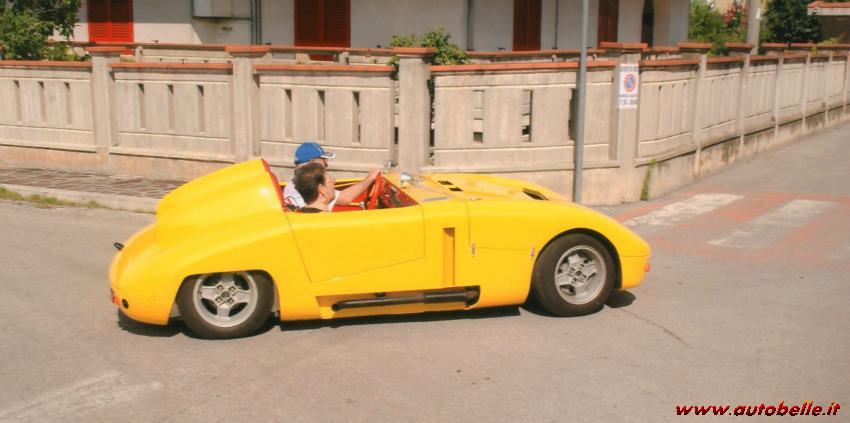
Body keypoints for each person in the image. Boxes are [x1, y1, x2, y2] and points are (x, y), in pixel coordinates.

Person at [282, 141, 380, 210]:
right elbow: (345, 199)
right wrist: (370, 178)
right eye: (324, 160)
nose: (327, 164)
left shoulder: (298, 182)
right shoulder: (309, 183)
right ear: (313, 162)